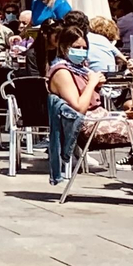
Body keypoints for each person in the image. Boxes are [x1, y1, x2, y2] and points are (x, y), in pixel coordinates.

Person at [46, 21, 101, 184]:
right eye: (77, 47)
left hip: (96, 118)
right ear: (64, 47)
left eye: (85, 48)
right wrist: (91, 83)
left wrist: (95, 83)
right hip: (88, 124)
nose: (81, 52)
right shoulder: (62, 71)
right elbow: (78, 107)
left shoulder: (79, 70)